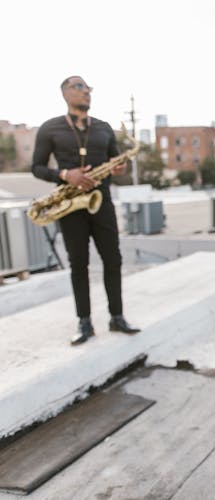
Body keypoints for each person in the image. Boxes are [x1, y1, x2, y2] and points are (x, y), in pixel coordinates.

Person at [31, 75, 140, 346]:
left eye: (88, 87)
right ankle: (85, 322)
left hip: (101, 201)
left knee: (113, 259)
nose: (86, 92)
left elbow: (117, 163)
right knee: (78, 264)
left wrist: (119, 168)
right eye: (79, 87)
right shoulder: (50, 128)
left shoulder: (103, 128)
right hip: (70, 204)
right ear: (65, 93)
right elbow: (37, 167)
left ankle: (117, 316)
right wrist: (66, 174)